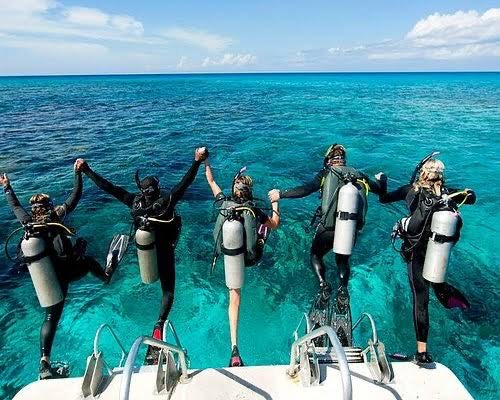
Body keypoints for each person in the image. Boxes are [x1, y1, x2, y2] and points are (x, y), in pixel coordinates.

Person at [75, 147, 208, 364]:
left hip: (144, 253)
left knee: (141, 264)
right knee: (168, 293)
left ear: (141, 191)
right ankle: (158, 327)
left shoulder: (134, 201)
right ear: (156, 189)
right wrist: (197, 161)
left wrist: (87, 169)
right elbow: (185, 182)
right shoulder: (166, 201)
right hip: (164, 249)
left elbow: (109, 187)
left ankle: (108, 272)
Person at [0, 163, 122, 380]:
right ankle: (106, 276)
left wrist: (7, 188)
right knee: (87, 260)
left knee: (50, 317)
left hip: (47, 279)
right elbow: (76, 195)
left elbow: (15, 207)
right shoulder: (57, 216)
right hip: (67, 273)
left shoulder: (28, 224)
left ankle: (44, 363)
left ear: (34, 210)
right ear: (49, 205)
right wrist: (78, 174)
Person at [377, 157, 476, 365]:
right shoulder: (449, 194)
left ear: (422, 173)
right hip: (437, 250)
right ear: (441, 175)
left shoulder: (410, 190)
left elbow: (383, 198)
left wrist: (383, 181)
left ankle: (422, 354)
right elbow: (472, 198)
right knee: (435, 282)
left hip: (416, 252)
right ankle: (453, 299)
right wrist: (468, 192)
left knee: (420, 301)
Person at [268, 144, 382, 313]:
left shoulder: (325, 173)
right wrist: (381, 179)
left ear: (329, 160)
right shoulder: (360, 175)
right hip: (350, 229)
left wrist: (281, 194)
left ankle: (323, 285)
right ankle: (343, 290)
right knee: (342, 261)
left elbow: (305, 189)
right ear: (344, 160)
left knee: (316, 255)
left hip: (328, 229)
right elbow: (381, 191)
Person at [205, 160, 279, 367]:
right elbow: (275, 223)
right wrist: (275, 203)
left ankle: (234, 347)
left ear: (234, 190)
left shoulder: (223, 204)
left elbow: (211, 180)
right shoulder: (254, 209)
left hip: (231, 259)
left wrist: (206, 161)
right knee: (266, 229)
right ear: (249, 191)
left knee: (234, 301)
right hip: (251, 258)